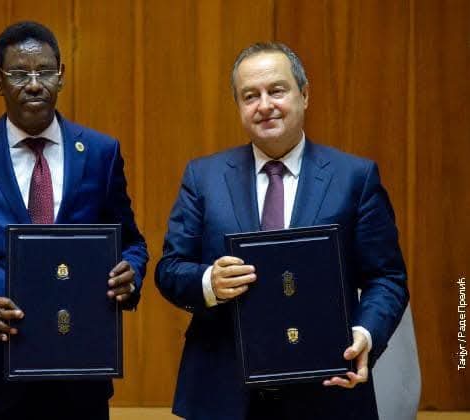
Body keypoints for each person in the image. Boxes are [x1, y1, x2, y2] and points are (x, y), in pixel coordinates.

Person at [155, 42, 409, 419]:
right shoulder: (203, 177)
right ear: (239, 106)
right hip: (224, 394)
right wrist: (209, 282)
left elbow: (386, 278)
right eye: (250, 96)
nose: (265, 105)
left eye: (277, 90)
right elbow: (170, 269)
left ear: (304, 95)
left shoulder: (354, 178)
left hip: (327, 388)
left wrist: (365, 333)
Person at [0, 21, 148, 420]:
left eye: (46, 72)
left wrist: (132, 273)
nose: (35, 85)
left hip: (79, 377)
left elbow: (132, 243)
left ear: (62, 76)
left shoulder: (100, 152)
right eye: (19, 74)